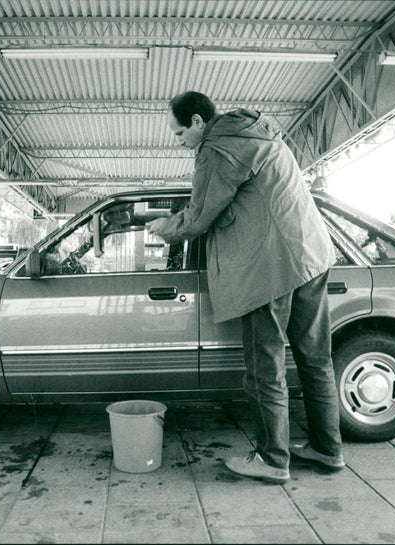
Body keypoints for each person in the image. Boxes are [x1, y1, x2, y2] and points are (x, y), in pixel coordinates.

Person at [148, 91, 344, 484]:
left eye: (180, 131)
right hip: (311, 254)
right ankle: (327, 449)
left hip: (269, 268)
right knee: (316, 360)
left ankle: (273, 460)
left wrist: (163, 229)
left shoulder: (216, 150)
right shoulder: (259, 133)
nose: (179, 139)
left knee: (264, 369)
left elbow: (201, 216)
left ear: (199, 122)